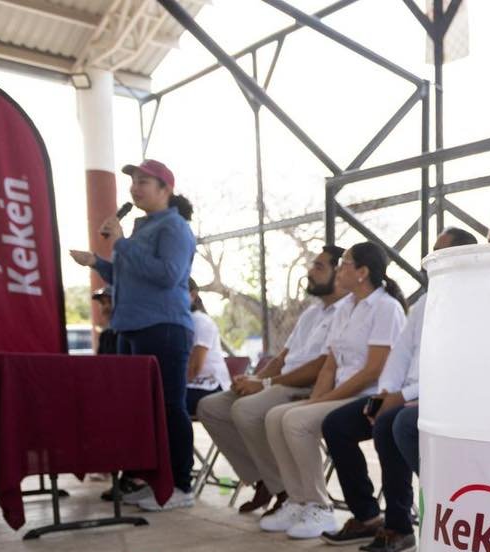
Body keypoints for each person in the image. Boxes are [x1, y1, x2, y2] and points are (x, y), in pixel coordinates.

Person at [320, 228, 477, 552]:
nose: (429, 260)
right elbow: (401, 353)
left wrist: (401, 396)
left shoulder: (473, 303)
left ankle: (405, 525)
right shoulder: (424, 303)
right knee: (337, 424)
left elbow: (453, 365)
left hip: (438, 395)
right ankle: (367, 517)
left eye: (439, 252)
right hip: (404, 393)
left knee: (392, 423)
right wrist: (386, 393)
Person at [69, 159, 197, 511]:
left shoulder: (174, 227)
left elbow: (169, 275)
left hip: (162, 327)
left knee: (169, 407)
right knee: (141, 410)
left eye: (143, 182)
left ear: (165, 189)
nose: (134, 188)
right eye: (133, 181)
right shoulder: (143, 229)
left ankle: (181, 486)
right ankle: (151, 480)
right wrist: (97, 262)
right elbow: (129, 278)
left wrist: (122, 244)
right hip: (130, 327)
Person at [258, 242, 406, 539]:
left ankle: (320, 507)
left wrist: (322, 401)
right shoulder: (346, 308)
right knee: (276, 416)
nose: (339, 269)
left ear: (363, 272)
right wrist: (314, 401)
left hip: (371, 396)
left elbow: (373, 370)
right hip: (342, 394)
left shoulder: (386, 308)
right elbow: (330, 366)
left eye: (345, 263)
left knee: (297, 421)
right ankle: (299, 500)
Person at [196, 247, 349, 516]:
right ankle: (265, 480)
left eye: (319, 267)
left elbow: (321, 367)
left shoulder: (346, 312)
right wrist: (255, 378)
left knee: (246, 410)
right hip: (281, 382)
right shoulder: (312, 313)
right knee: (211, 407)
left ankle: (285, 490)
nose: (310, 272)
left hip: (310, 387)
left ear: (340, 274)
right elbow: (282, 358)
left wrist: (266, 384)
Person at [185, 278, 230, 416]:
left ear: (192, 295)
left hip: (210, 387)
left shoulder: (201, 321)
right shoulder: (181, 320)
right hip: (191, 385)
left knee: (166, 400)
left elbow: (194, 369)